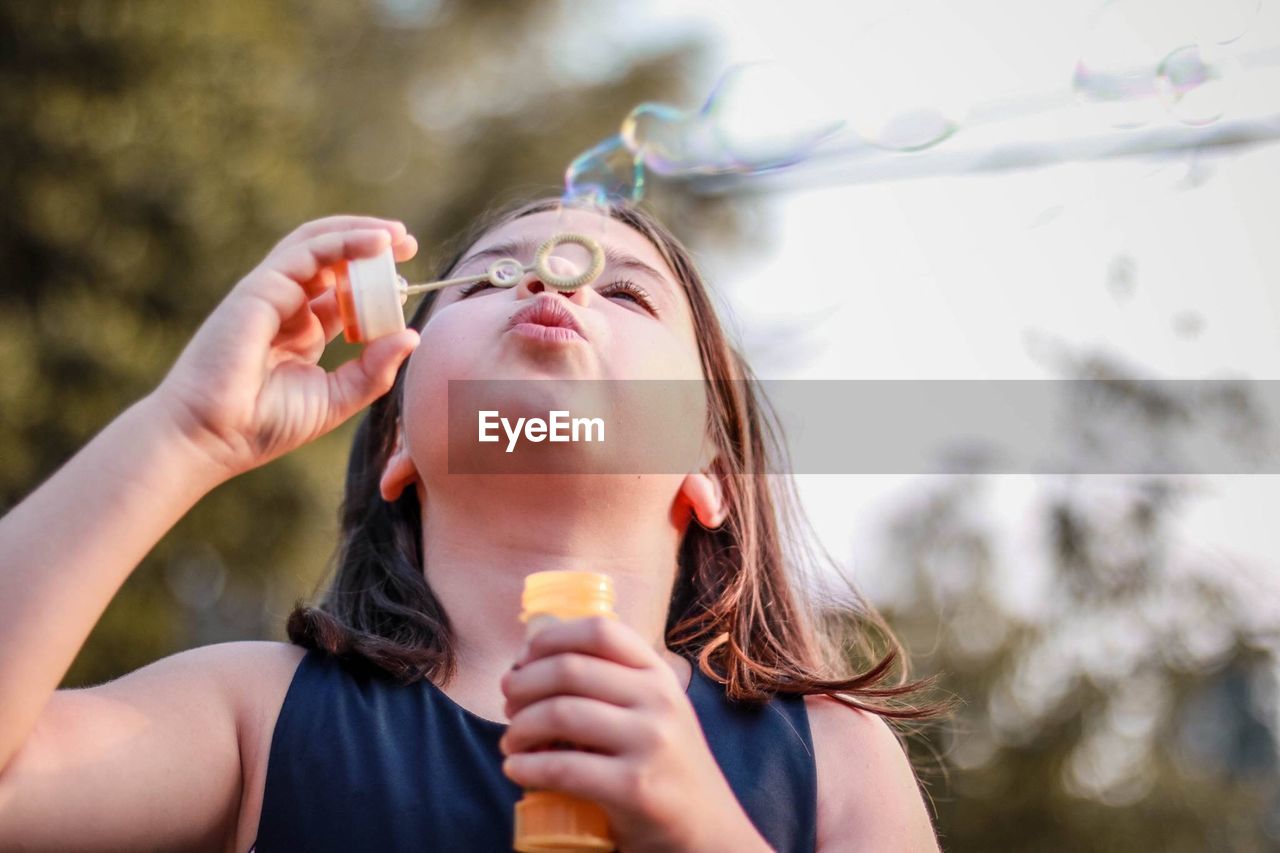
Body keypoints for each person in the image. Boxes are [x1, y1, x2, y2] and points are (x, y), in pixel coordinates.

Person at [0, 197, 947, 851]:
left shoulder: (831, 751)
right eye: (492, 278)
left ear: (711, 470)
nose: (552, 288)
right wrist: (187, 431)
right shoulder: (260, 713)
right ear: (399, 441)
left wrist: (702, 829)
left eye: (624, 292)